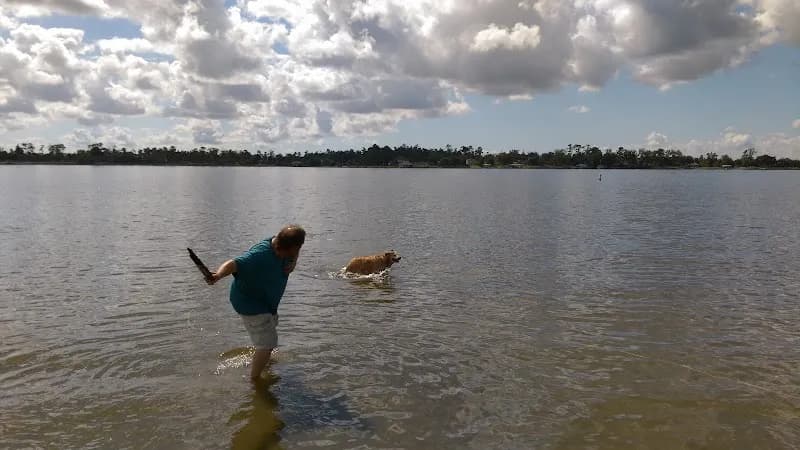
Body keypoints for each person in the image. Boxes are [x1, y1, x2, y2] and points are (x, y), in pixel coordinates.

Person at [207, 225, 306, 380]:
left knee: (268, 334)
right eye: (283, 254)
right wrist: (218, 275)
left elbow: (297, 245)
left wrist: (293, 261)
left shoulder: (289, 245)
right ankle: (255, 380)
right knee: (268, 343)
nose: (284, 257)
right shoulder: (259, 254)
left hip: (266, 302)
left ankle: (263, 360)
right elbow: (233, 264)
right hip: (250, 303)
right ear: (278, 246)